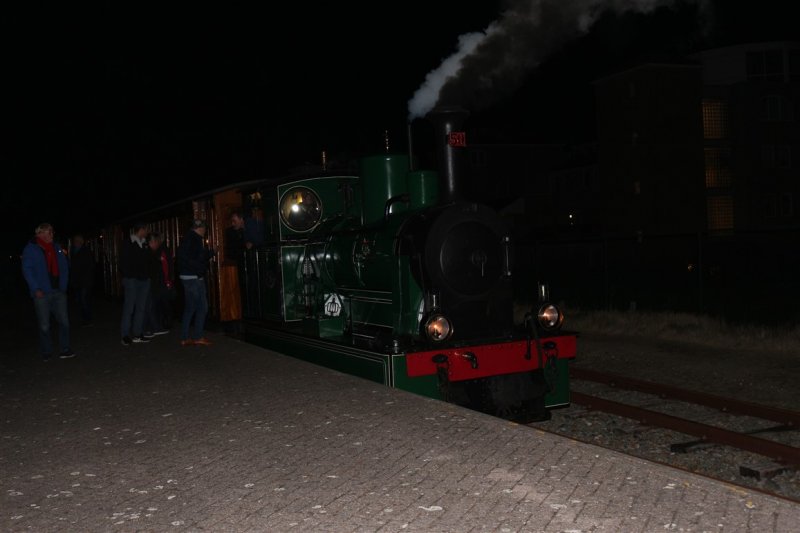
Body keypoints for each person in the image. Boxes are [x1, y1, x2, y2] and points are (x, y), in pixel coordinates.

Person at [21, 223, 75, 360]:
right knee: (44, 325)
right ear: (40, 233)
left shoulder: (56, 247)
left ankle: (65, 349)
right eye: (49, 232)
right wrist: (35, 288)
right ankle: (46, 351)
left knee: (64, 322)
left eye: (52, 232)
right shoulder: (31, 249)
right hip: (42, 293)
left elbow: (64, 267)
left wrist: (63, 286)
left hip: (58, 291)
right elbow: (27, 270)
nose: (52, 234)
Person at [176, 219, 214, 346]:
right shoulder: (195, 239)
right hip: (193, 277)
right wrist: (210, 254)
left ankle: (185, 337)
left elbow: (185, 257)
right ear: (201, 228)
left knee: (190, 307)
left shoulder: (187, 238)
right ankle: (198, 336)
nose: (205, 232)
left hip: (187, 276)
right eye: (205, 229)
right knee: (202, 307)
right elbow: (198, 258)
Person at [120, 223, 152, 346]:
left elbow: (148, 260)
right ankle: (125, 335)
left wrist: (148, 275)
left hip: (144, 280)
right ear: (141, 229)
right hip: (132, 279)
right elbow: (123, 261)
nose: (148, 232)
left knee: (140, 308)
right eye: (146, 229)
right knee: (129, 307)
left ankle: (137, 333)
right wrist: (128, 276)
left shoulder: (144, 243)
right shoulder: (128, 242)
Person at [143, 231, 174, 336]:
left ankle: (154, 327)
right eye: (156, 241)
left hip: (156, 283)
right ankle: (152, 327)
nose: (157, 243)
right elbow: (162, 269)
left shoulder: (154, 252)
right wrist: (167, 281)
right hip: (154, 284)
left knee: (154, 306)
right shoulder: (152, 253)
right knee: (153, 306)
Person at [69, 233, 95, 326]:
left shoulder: (86, 251)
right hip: (77, 281)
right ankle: (83, 318)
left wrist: (86, 278)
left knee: (84, 300)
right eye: (75, 241)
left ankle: (88, 319)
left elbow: (89, 266)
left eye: (78, 241)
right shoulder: (73, 252)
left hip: (85, 281)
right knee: (79, 300)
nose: (76, 242)